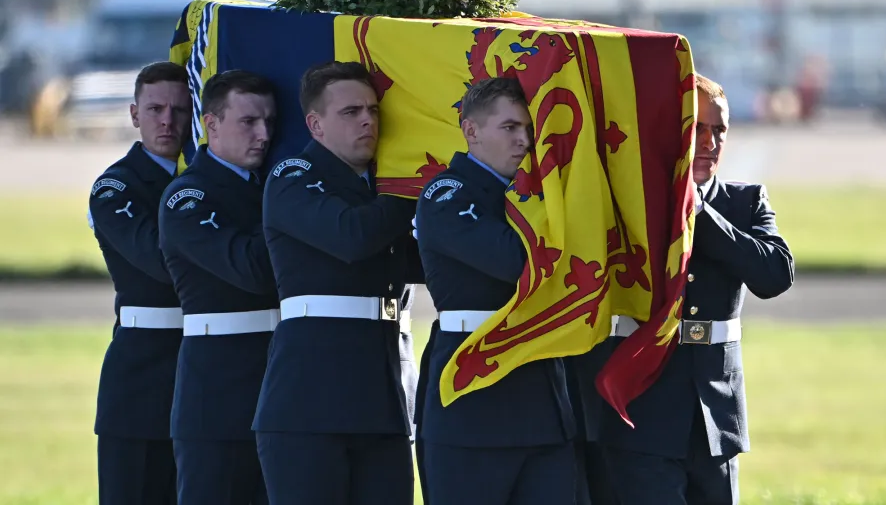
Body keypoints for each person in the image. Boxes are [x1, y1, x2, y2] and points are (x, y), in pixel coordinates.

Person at [576, 73, 795, 505]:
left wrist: (698, 212)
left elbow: (775, 275)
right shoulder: (629, 204)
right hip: (643, 407)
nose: (710, 142)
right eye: (697, 129)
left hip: (716, 412)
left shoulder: (745, 202)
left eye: (719, 131)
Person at [253, 61, 422, 505]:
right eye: (350, 112)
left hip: (382, 396)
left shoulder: (375, 192)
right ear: (316, 124)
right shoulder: (293, 176)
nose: (368, 119)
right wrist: (415, 187)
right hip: (310, 403)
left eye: (372, 110)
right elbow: (351, 237)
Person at [413, 77, 578, 505]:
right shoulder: (445, 193)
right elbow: (520, 264)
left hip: (539, 392)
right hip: (474, 393)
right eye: (509, 128)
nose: (525, 140)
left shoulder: (536, 192)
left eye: (529, 129)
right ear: (471, 131)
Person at [158, 70, 278, 504]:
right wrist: (295, 213)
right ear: (210, 124)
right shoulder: (187, 197)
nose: (263, 134)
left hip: (281, 380)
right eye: (248, 121)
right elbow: (251, 269)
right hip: (218, 389)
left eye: (269, 122)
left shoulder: (270, 186)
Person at [88, 61, 192, 505]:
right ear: (134, 115)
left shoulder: (207, 178)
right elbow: (157, 259)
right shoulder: (116, 187)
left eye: (178, 110)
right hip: (142, 372)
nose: (166, 121)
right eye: (154, 109)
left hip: (207, 362)